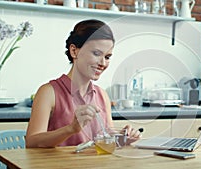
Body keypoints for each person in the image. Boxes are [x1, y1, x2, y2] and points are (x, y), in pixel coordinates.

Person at [25, 19, 141, 148]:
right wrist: (71, 129)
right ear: (74, 51)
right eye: (96, 54)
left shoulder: (102, 95)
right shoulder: (48, 92)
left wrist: (123, 137)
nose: (103, 63)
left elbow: (107, 139)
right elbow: (31, 142)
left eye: (107, 57)